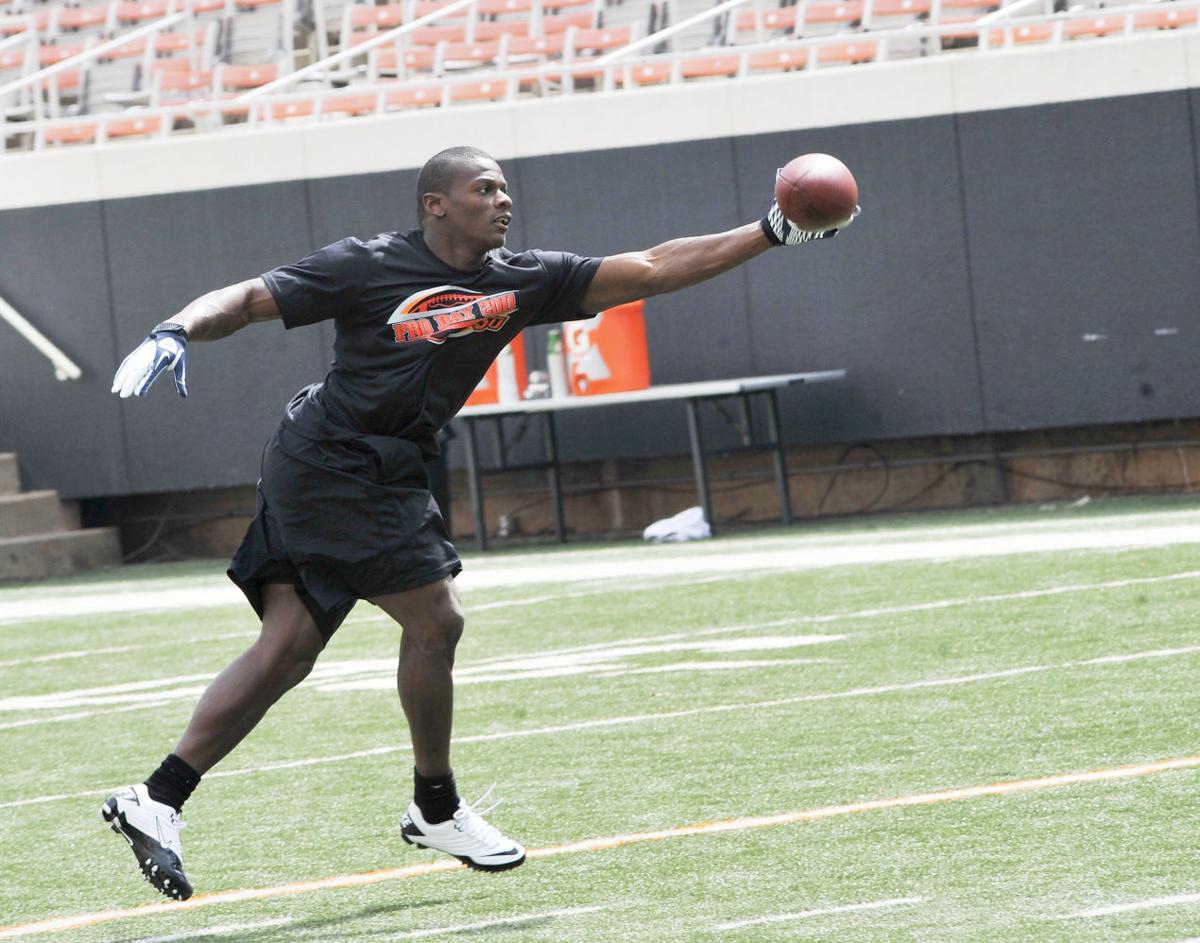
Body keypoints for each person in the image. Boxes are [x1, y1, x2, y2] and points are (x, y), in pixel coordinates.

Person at [103, 145, 857, 901]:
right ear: (436, 203)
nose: (503, 201)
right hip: (330, 460)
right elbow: (245, 299)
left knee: (289, 647)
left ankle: (159, 796)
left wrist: (769, 230)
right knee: (435, 618)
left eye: (505, 189)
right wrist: (176, 327)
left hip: (388, 465)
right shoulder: (366, 265)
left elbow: (653, 267)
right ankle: (435, 805)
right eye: (485, 188)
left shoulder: (520, 279)